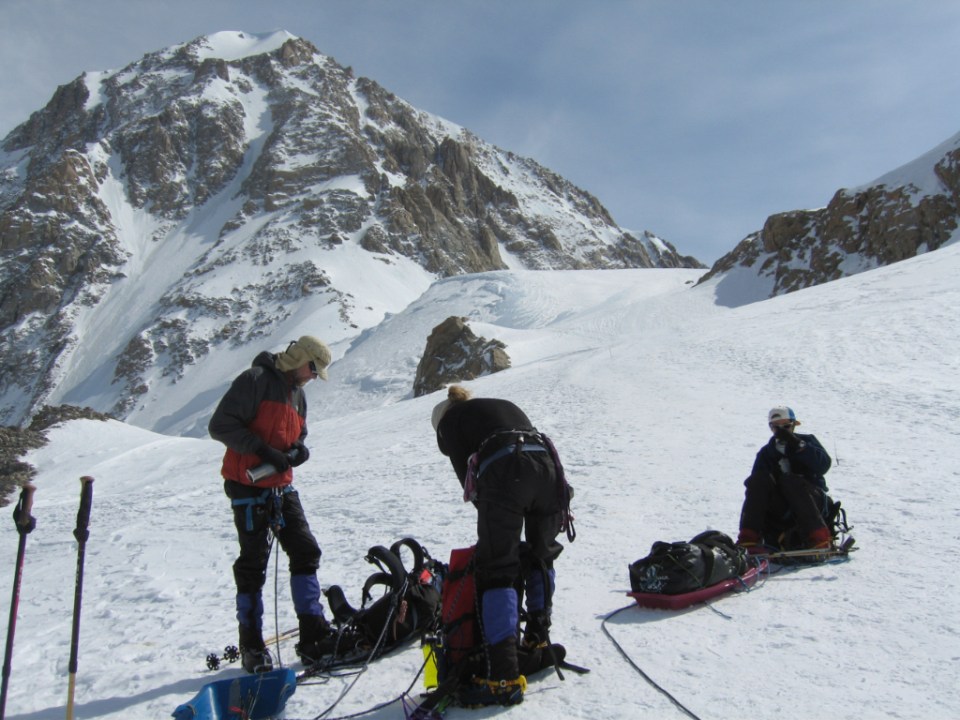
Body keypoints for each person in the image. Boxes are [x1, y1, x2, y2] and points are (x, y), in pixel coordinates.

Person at [431, 385, 570, 707]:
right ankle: (537, 640)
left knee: (497, 569)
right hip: (549, 468)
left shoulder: (450, 422)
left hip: (507, 470)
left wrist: (500, 539)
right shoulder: (497, 404)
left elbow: (472, 488)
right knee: (541, 557)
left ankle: (503, 676)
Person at [209, 335, 334, 673]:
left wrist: (298, 450)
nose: (313, 377)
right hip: (247, 487)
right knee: (253, 565)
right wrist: (262, 450)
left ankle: (314, 635)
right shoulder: (255, 381)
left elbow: (298, 432)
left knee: (305, 551)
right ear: (300, 359)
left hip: (281, 487)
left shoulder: (298, 395)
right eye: (313, 370)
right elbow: (220, 425)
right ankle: (251, 646)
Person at [737, 406, 835, 553]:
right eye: (776, 427)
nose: (781, 430)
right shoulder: (766, 453)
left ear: (794, 425)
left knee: (790, 481)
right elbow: (756, 489)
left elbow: (823, 466)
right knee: (759, 479)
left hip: (812, 500)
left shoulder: (808, 441)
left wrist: (799, 447)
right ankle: (749, 538)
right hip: (782, 507)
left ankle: (819, 537)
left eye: (786, 426)